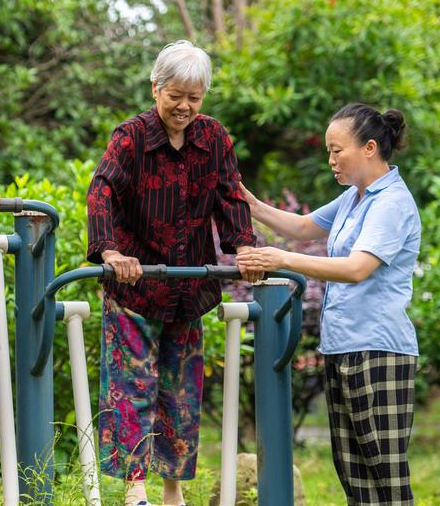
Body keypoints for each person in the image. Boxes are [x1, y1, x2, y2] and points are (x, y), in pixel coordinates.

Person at [87, 40, 262, 506]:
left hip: (188, 286)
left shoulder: (215, 138)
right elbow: (101, 190)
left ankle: (173, 491)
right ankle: (135, 487)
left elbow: (229, 196)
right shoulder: (131, 137)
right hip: (135, 284)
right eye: (175, 95)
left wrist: (243, 245)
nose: (184, 106)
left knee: (181, 391)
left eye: (194, 97)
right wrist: (108, 251)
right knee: (133, 384)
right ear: (155, 87)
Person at [237, 103, 421, 506]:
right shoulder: (354, 199)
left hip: (378, 350)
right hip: (342, 347)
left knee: (384, 474)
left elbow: (357, 268)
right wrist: (246, 200)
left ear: (369, 148)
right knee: (353, 472)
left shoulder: (390, 203)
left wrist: (281, 260)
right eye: (329, 151)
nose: (331, 159)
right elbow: (302, 228)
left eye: (337, 150)